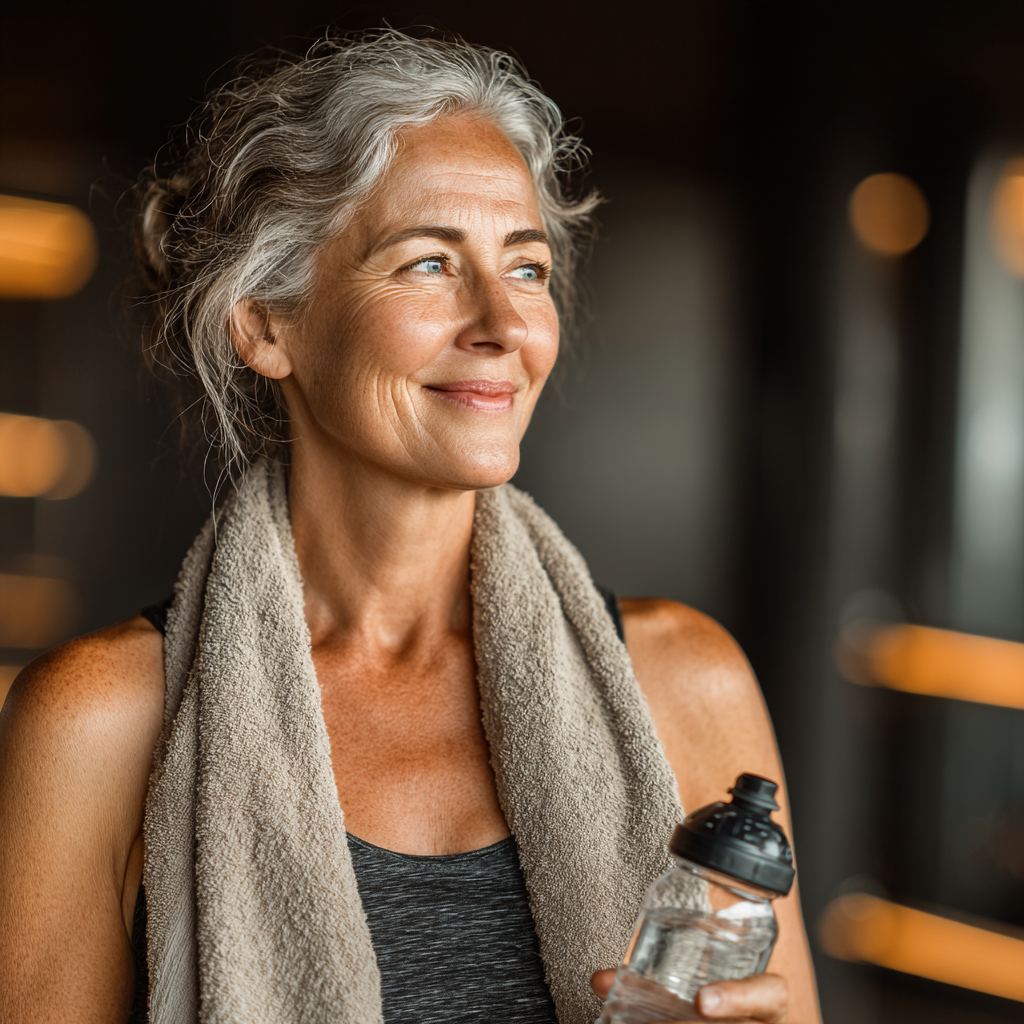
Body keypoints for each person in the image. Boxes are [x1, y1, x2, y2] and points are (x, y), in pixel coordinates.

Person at [0, 31, 821, 1024]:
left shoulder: (686, 682)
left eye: (525, 269)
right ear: (266, 322)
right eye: (431, 263)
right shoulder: (100, 719)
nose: (504, 325)